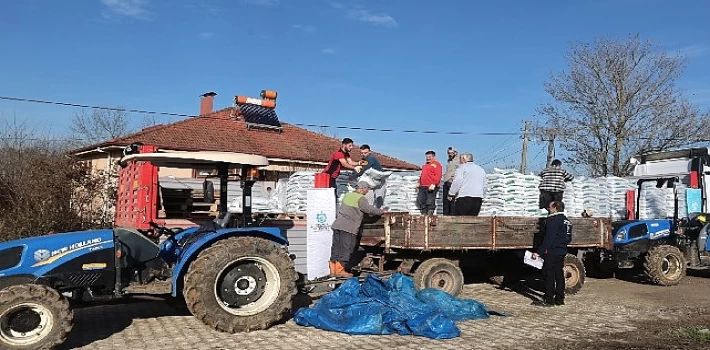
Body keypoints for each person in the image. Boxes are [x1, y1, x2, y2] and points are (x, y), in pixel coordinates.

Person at [329, 181, 387, 277]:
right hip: (348, 227)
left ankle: (333, 270)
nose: (367, 191)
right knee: (346, 248)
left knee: (336, 248)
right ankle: (340, 271)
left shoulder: (348, 195)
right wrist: (381, 211)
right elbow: (369, 210)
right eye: (367, 189)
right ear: (362, 188)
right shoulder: (361, 199)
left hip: (337, 225)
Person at [531, 201, 572, 306]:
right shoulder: (567, 221)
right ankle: (559, 299)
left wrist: (538, 252)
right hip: (562, 250)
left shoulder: (553, 220)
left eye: (550, 207)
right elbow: (569, 238)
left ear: (555, 208)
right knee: (559, 274)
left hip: (552, 251)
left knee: (548, 274)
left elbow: (549, 239)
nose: (548, 209)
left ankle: (549, 300)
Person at [417, 150, 443, 215]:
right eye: (427, 157)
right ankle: (423, 213)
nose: (428, 158)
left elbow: (438, 175)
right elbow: (422, 175)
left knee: (430, 201)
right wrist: (418, 182)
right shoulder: (425, 165)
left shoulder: (436, 165)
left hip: (431, 186)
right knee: (420, 200)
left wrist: (434, 184)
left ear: (433, 157)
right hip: (423, 186)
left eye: (429, 157)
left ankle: (430, 214)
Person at [442, 147, 460, 215]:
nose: (450, 154)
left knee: (452, 201)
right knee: (445, 202)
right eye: (449, 153)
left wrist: (452, 179)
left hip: (452, 183)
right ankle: (445, 216)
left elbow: (458, 172)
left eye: (451, 153)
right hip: (446, 182)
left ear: (455, 152)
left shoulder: (458, 161)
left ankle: (452, 216)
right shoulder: (449, 161)